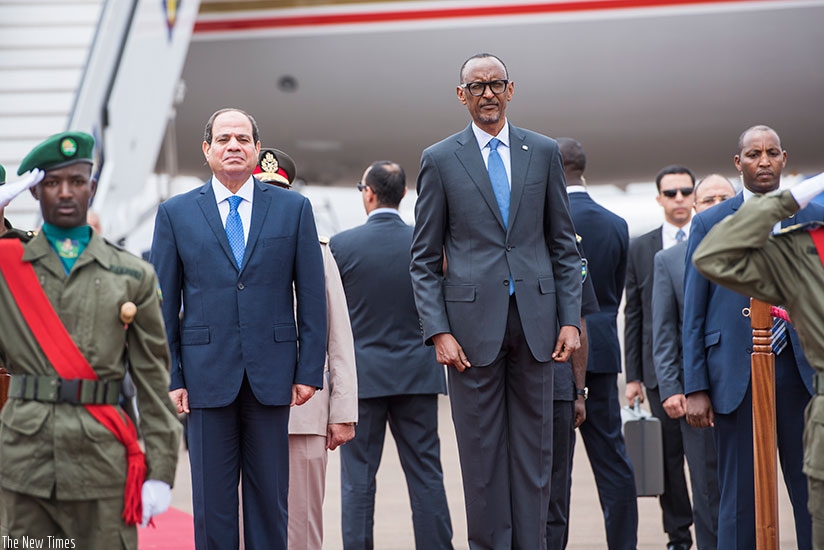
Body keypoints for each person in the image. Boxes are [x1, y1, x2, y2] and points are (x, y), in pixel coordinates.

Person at [410, 53, 582, 549]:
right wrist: (438, 331)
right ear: (461, 95)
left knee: (535, 458)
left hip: (538, 328)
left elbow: (563, 248)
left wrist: (570, 319)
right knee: (482, 461)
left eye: (496, 84)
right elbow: (423, 259)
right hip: (468, 335)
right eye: (477, 86)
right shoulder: (440, 159)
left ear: (511, 89)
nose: (488, 93)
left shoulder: (543, 151)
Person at [150, 108, 327, 550]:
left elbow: (310, 297)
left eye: (243, 139)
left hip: (273, 378)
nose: (234, 146)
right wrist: (172, 376)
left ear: (255, 149)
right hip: (205, 378)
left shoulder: (293, 209)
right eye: (224, 139)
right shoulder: (175, 214)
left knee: (271, 502)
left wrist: (308, 371)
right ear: (207, 149)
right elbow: (164, 305)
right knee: (213, 507)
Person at [0, 131, 181, 547]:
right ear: (34, 191)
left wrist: (161, 469)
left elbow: (154, 382)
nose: (65, 193)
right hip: (26, 459)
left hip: (101, 458)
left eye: (77, 181)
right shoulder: (9, 267)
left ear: (92, 188)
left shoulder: (132, 274)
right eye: (51, 183)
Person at [683, 125, 821, 549]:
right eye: (755, 153)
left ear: (784, 160)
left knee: (811, 491)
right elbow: (693, 309)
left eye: (772, 152)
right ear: (738, 163)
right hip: (735, 376)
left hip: (802, 377)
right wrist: (696, 386)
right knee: (739, 497)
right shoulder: (710, 222)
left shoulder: (814, 217)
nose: (764, 160)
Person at [331, 161, 453, 549]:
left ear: (368, 193)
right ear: (402, 195)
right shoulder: (423, 242)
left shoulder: (342, 246)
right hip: (417, 375)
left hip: (362, 380)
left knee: (358, 482)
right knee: (426, 475)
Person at [254, 148, 358, 550]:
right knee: (248, 524)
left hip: (306, 413)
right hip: (245, 409)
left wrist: (344, 411)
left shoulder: (316, 247)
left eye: (279, 191)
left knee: (301, 528)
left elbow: (338, 336)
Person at [561, 137, 638, 549]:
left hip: (560, 348)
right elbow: (615, 288)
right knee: (612, 459)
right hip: (605, 346)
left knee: (559, 465)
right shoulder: (615, 222)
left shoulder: (546, 219)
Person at [651, 174, 733, 549]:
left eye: (725, 197)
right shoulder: (669, 260)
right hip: (699, 393)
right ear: (697, 209)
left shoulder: (765, 249)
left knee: (749, 485)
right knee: (707, 488)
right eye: (709, 199)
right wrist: (672, 388)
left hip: (752, 387)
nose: (717, 204)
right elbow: (665, 331)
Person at [625, 165, 696, 550]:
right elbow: (633, 314)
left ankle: (715, 528)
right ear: (659, 199)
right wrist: (633, 375)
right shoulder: (641, 247)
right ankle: (679, 536)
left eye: (686, 191)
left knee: (708, 460)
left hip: (705, 367)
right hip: (657, 372)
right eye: (671, 193)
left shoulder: (708, 239)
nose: (680, 199)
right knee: (669, 461)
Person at [546, 232, 599, 549]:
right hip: (553, 385)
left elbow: (577, 322)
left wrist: (579, 391)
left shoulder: (567, 242)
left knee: (553, 488)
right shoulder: (564, 241)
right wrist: (578, 392)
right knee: (554, 489)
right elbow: (577, 324)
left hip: (555, 386)